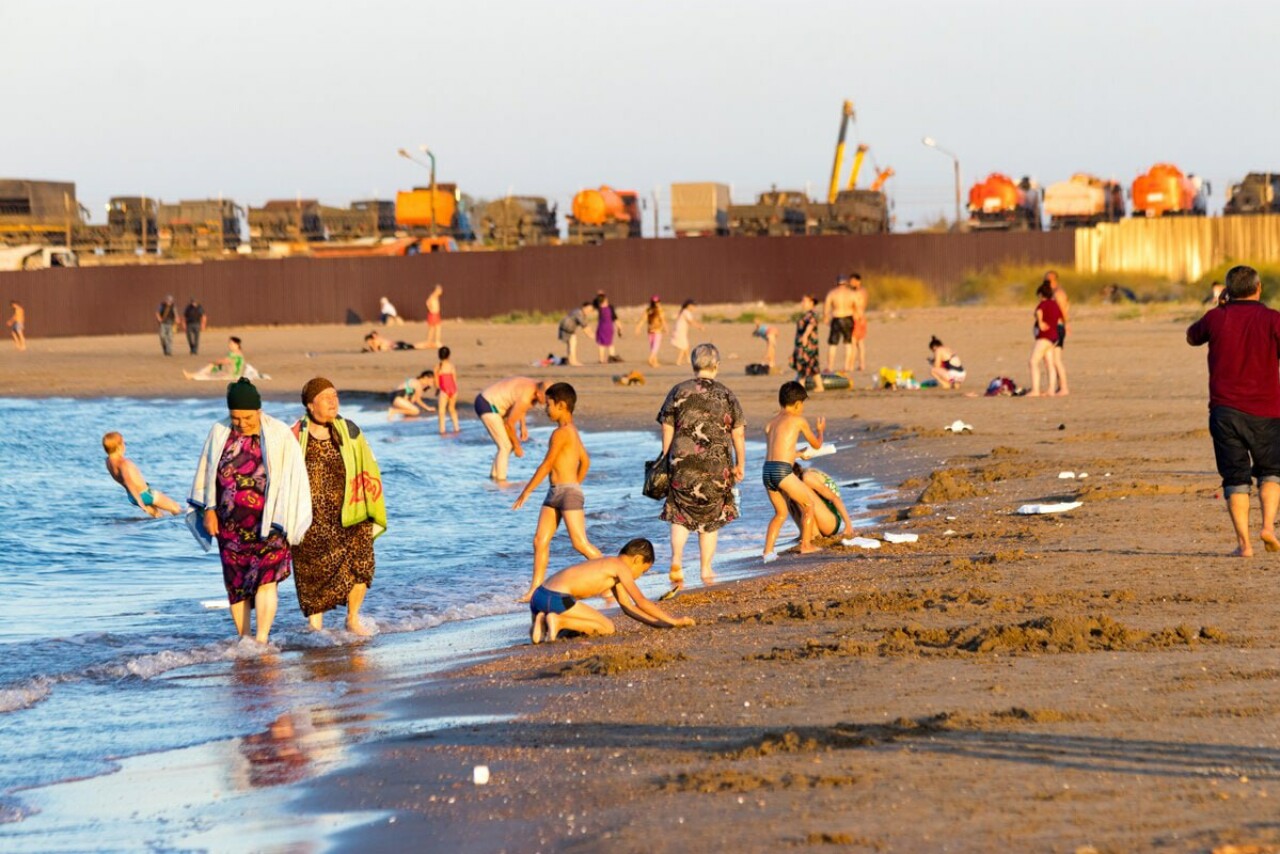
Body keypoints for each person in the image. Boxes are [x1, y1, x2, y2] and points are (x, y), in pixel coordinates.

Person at [189, 379, 312, 644]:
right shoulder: (219, 431)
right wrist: (208, 510)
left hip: (271, 523)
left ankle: (262, 639)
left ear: (259, 410)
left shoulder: (279, 433)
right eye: (236, 417)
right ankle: (244, 639)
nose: (241, 423)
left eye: (247, 417)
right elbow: (207, 473)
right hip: (230, 525)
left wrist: (291, 518)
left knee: (268, 580)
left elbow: (295, 477)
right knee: (236, 585)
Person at [1186, 265, 1280, 557]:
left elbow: (1192, 336)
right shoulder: (1273, 319)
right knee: (1272, 473)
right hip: (1267, 409)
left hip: (1225, 411)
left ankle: (1245, 544)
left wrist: (1219, 306)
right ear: (1259, 287)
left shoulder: (1216, 317)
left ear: (1227, 290)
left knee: (1235, 478)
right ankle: (1267, 526)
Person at [290, 378, 386, 635]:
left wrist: (369, 502)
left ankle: (353, 618)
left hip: (351, 514)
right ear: (311, 405)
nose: (334, 401)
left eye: (335, 395)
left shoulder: (350, 430)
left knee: (362, 564)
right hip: (310, 519)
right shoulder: (294, 434)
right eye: (326, 397)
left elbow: (369, 464)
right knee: (312, 573)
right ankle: (315, 629)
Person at [657, 343, 745, 590]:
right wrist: (741, 464)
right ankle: (705, 568)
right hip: (717, 465)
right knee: (711, 517)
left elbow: (667, 426)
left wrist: (665, 457)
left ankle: (676, 560)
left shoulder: (678, 390)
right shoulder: (726, 394)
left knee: (680, 512)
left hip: (681, 461)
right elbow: (738, 432)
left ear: (693, 364)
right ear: (716, 366)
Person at [512, 382, 603, 602]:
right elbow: (586, 461)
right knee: (539, 540)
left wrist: (526, 491)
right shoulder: (572, 431)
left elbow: (547, 464)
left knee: (580, 542)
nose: (545, 409)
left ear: (561, 405)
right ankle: (535, 589)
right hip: (555, 493)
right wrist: (575, 484)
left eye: (549, 404)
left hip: (566, 493)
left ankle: (610, 577)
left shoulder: (561, 433)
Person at [527, 539, 695, 644]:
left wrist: (659, 624)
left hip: (539, 597)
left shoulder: (608, 564)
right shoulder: (621, 568)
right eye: (642, 571)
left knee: (542, 635)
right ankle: (558, 621)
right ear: (636, 560)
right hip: (557, 598)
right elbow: (641, 602)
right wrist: (674, 621)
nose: (638, 576)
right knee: (607, 627)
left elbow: (627, 607)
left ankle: (542, 623)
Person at [762, 381, 826, 558]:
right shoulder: (798, 420)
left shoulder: (770, 424)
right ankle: (806, 545)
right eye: (803, 404)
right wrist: (820, 431)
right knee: (808, 505)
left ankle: (767, 551)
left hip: (767, 471)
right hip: (782, 470)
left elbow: (777, 452)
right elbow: (817, 445)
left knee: (780, 513)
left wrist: (799, 454)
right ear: (798, 404)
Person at [474, 376, 548, 482]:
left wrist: (523, 426)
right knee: (506, 446)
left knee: (506, 446)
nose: (547, 402)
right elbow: (509, 424)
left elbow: (519, 407)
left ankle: (493, 478)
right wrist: (517, 446)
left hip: (490, 402)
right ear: (539, 394)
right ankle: (501, 483)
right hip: (487, 405)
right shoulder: (527, 396)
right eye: (546, 399)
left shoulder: (534, 386)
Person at [102, 431, 182, 517]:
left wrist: (138, 501)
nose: (124, 446)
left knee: (158, 516)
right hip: (144, 494)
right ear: (119, 447)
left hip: (132, 497)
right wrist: (140, 502)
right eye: (123, 443)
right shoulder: (124, 463)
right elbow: (128, 482)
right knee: (176, 508)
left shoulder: (108, 461)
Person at [785, 463, 854, 541]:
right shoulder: (806, 474)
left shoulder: (807, 478)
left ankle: (814, 535)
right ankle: (805, 533)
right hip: (824, 517)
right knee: (789, 494)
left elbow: (835, 498)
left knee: (796, 492)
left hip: (831, 522)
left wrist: (848, 526)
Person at [1029, 282, 1063, 397]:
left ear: (1041, 294)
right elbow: (1059, 318)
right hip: (1054, 337)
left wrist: (1040, 322)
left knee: (1033, 361)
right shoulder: (1055, 305)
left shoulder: (1043, 304)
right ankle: (1051, 390)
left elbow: (1038, 311)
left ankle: (1035, 390)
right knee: (1049, 364)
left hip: (1045, 337)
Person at [823, 274, 856, 373]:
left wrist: (826, 318)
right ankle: (847, 366)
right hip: (848, 317)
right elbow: (857, 306)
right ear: (845, 283)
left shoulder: (832, 293)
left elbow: (826, 308)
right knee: (848, 343)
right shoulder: (851, 293)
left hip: (837, 317)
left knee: (833, 344)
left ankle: (830, 366)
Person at [791, 294, 823, 392]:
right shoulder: (807, 314)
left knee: (803, 364)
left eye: (804, 301)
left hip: (807, 345)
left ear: (811, 302)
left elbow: (811, 325)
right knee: (813, 366)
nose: (802, 303)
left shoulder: (812, 314)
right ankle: (819, 386)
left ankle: (801, 387)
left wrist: (805, 336)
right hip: (806, 344)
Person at [1046, 270, 1070, 395]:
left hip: (1058, 327)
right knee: (1053, 359)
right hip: (1054, 327)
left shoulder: (1058, 293)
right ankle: (1059, 387)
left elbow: (1063, 311)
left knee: (1056, 360)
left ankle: (1064, 388)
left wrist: (1067, 324)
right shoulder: (1051, 293)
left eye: (1049, 280)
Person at [558, 300, 594, 366]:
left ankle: (570, 360)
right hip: (566, 330)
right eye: (588, 309)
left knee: (571, 344)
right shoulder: (579, 313)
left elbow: (586, 325)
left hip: (569, 330)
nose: (589, 311)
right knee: (572, 345)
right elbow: (584, 326)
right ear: (584, 307)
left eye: (590, 310)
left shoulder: (580, 313)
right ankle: (573, 361)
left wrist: (591, 333)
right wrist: (590, 335)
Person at [636, 295, 667, 368]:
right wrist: (666, 328)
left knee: (652, 347)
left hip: (650, 330)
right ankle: (650, 359)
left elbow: (643, 319)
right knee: (655, 347)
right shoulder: (660, 310)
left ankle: (655, 362)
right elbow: (663, 320)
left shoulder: (648, 310)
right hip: (657, 330)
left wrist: (638, 327)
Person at [670, 299, 702, 366]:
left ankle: (688, 359)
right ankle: (678, 361)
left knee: (686, 345)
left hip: (680, 330)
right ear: (689, 306)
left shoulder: (683, 311)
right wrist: (699, 326)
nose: (694, 308)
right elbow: (690, 321)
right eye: (693, 306)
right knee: (683, 346)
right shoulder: (686, 312)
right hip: (680, 331)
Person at [435, 346, 460, 434]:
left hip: (444, 390)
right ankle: (456, 428)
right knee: (452, 409)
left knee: (442, 411)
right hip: (453, 389)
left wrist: (437, 389)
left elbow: (436, 380)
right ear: (449, 355)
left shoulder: (438, 366)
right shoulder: (451, 366)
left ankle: (442, 430)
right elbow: (454, 379)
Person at [594, 293, 621, 364]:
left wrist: (598, 296)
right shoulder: (610, 308)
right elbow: (615, 318)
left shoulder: (599, 308)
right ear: (605, 300)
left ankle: (601, 359)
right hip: (609, 327)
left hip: (601, 327)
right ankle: (611, 357)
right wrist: (619, 326)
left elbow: (595, 303)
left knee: (601, 344)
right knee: (610, 343)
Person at [849, 273, 869, 372]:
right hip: (862, 318)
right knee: (860, 343)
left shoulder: (857, 293)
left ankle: (851, 365)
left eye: (852, 281)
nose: (850, 283)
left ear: (858, 281)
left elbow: (858, 306)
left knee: (853, 343)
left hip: (857, 319)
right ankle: (862, 364)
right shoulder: (864, 291)